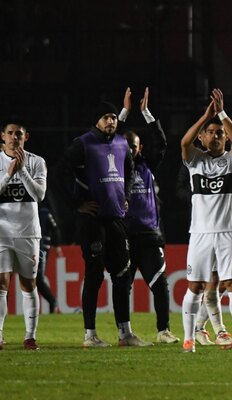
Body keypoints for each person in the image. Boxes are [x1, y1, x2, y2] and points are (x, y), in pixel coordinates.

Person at [55, 89, 152, 347]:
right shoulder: (83, 143)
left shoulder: (122, 143)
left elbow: (130, 171)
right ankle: (90, 335)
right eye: (106, 118)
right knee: (95, 275)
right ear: (97, 121)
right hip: (93, 221)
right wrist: (76, 204)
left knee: (122, 275)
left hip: (117, 219)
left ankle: (125, 334)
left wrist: (127, 195)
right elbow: (59, 174)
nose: (110, 121)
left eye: (113, 117)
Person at [180, 88, 232, 353]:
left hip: (229, 232)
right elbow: (184, 143)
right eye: (211, 132)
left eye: (220, 133)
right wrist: (205, 116)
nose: (216, 136)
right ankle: (188, 339)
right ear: (202, 136)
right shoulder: (195, 160)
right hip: (200, 233)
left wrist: (221, 114)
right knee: (195, 286)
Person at [123, 87, 179, 344]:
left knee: (160, 284)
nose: (129, 151)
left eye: (133, 147)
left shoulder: (147, 166)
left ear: (140, 148)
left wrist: (145, 113)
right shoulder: (110, 168)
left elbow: (163, 144)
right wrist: (123, 114)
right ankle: (125, 334)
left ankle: (163, 331)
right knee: (123, 286)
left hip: (148, 234)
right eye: (124, 147)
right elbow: (106, 141)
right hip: (122, 235)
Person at [0, 120, 47, 350]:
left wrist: (22, 171)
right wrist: (9, 175)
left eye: (18, 133)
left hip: (28, 233)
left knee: (28, 284)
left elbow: (39, 195)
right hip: (2, 233)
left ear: (25, 137)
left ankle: (30, 337)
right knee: (1, 283)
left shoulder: (37, 161)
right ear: (2, 136)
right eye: (10, 133)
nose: (14, 137)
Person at [37, 203, 62, 314]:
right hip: (28, 245)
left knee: (39, 279)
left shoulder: (45, 212)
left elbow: (55, 228)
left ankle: (53, 302)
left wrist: (57, 245)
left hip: (41, 248)